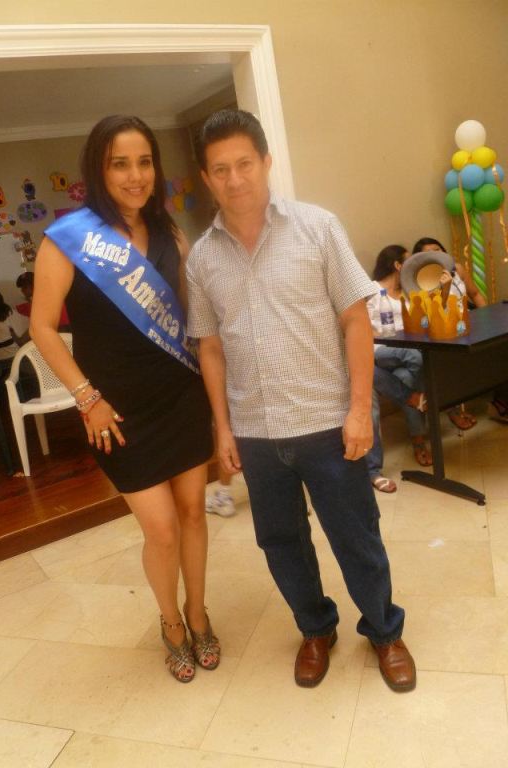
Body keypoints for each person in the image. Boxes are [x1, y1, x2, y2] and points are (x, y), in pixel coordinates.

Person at [187, 109, 415, 692]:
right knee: (281, 542)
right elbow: (210, 347)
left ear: (266, 162)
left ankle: (385, 631)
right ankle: (315, 628)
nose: (235, 178)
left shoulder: (318, 228)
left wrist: (360, 410)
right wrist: (223, 429)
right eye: (220, 169)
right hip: (257, 433)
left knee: (355, 536)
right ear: (207, 178)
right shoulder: (203, 258)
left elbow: (356, 320)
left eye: (244, 163)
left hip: (328, 424)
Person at [30, 114, 219, 683]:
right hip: (115, 412)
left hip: (180, 397)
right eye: (120, 164)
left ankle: (198, 612)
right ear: (99, 169)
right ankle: (171, 623)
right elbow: (42, 328)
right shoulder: (67, 239)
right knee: (160, 528)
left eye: (144, 162)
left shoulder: (171, 234)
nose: (135, 176)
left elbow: (192, 317)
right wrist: (87, 398)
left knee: (193, 513)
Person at [366, 245, 431, 492]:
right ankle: (417, 400)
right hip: (379, 352)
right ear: (397, 265)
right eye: (408, 261)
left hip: (401, 356)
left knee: (407, 374)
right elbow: (361, 329)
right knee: (415, 357)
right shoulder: (371, 290)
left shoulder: (409, 291)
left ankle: (418, 436)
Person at [412, 236, 486, 430]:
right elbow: (434, 309)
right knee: (446, 362)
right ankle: (453, 410)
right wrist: (444, 288)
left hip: (468, 322)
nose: (435, 254)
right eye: (429, 252)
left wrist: (488, 315)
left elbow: (475, 294)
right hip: (443, 329)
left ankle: (499, 400)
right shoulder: (422, 277)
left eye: (437, 249)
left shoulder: (457, 268)